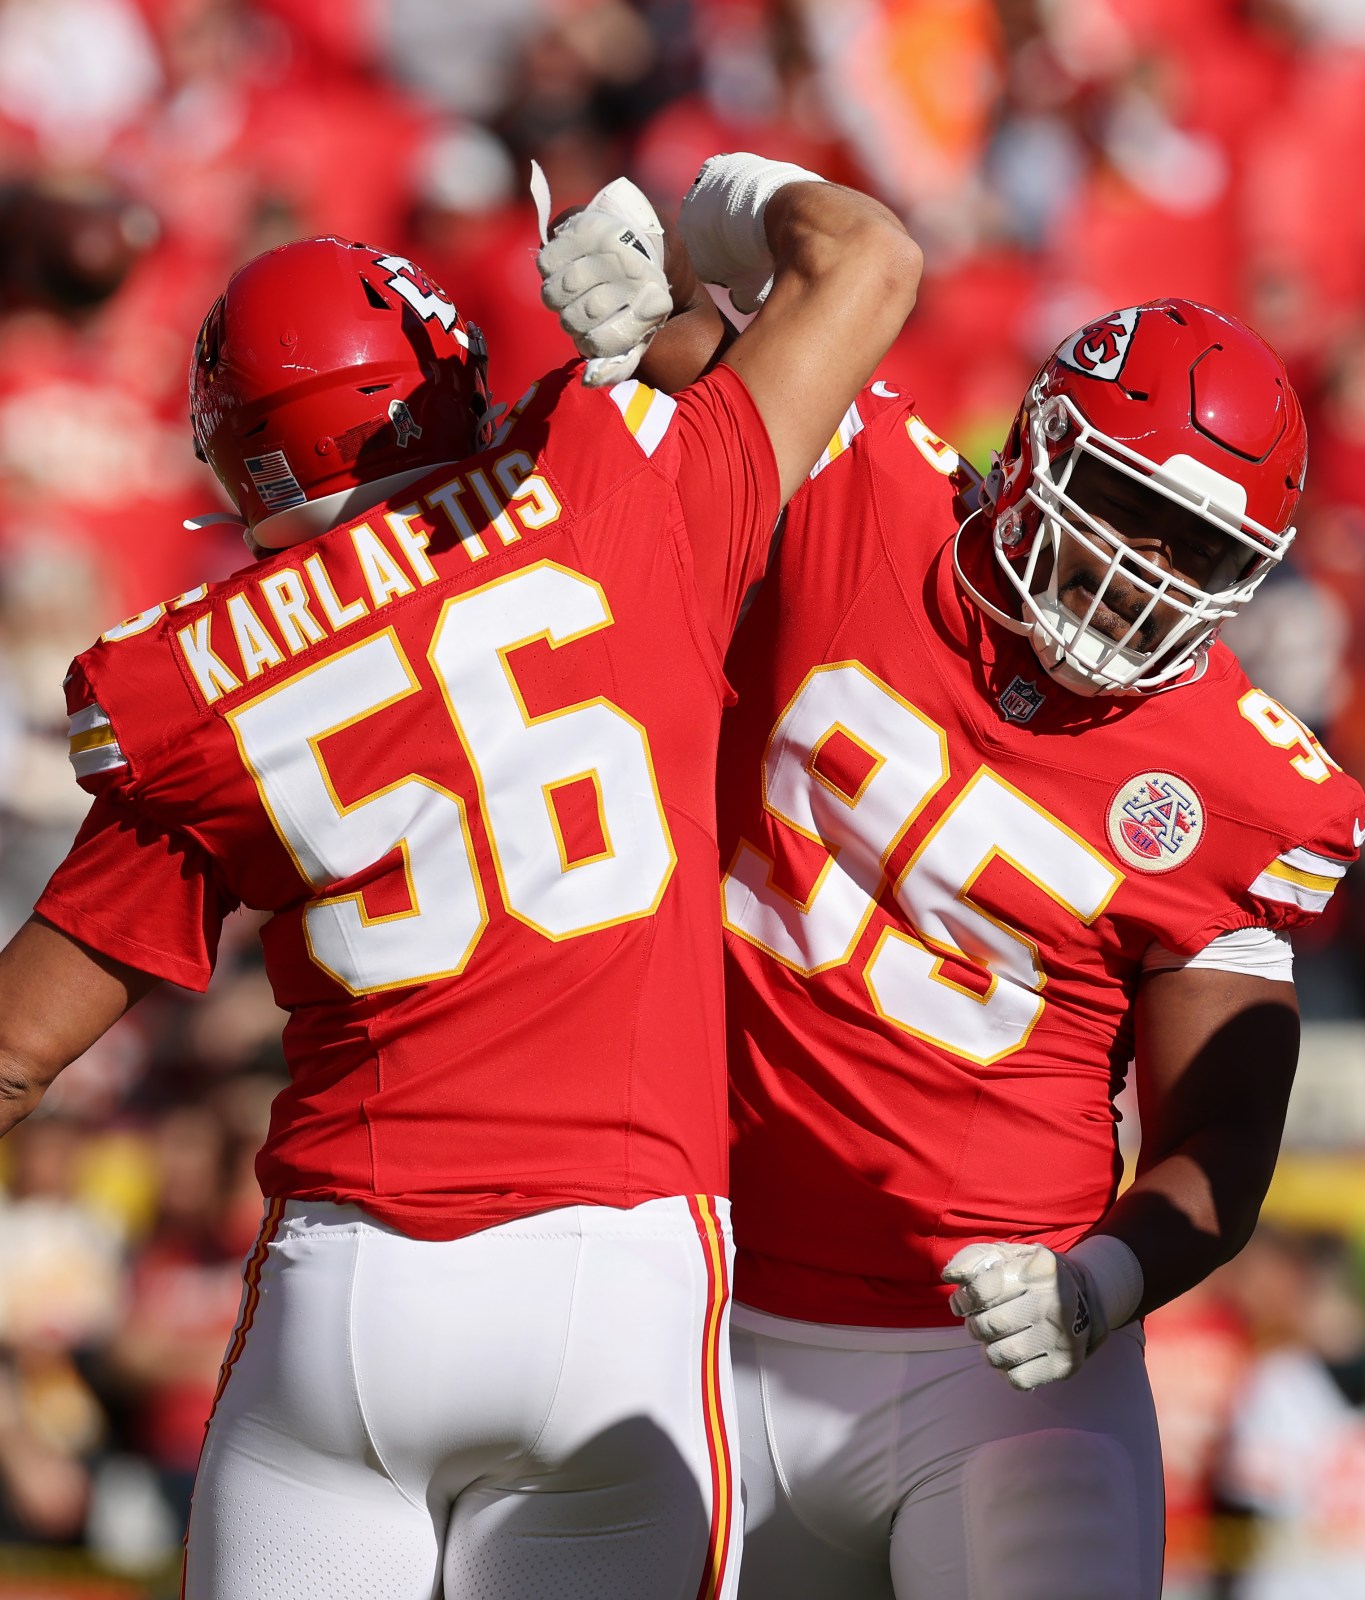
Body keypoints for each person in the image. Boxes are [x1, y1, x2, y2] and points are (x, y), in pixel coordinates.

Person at [0, 158, 919, 1596]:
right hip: (615, 1272)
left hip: (349, 1282)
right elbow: (865, 260)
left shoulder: (213, 683)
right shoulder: (622, 489)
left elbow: (13, 1049)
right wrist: (687, 260)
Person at [539, 165, 1365, 1598]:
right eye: (1122, 503)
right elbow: (678, 323)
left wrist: (1098, 1287)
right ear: (1040, 445)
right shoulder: (865, 484)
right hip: (696, 1299)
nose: (1139, 568)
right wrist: (655, 274)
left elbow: (1221, 1137)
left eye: (1200, 550)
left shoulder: (1253, 785)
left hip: (1002, 1365)